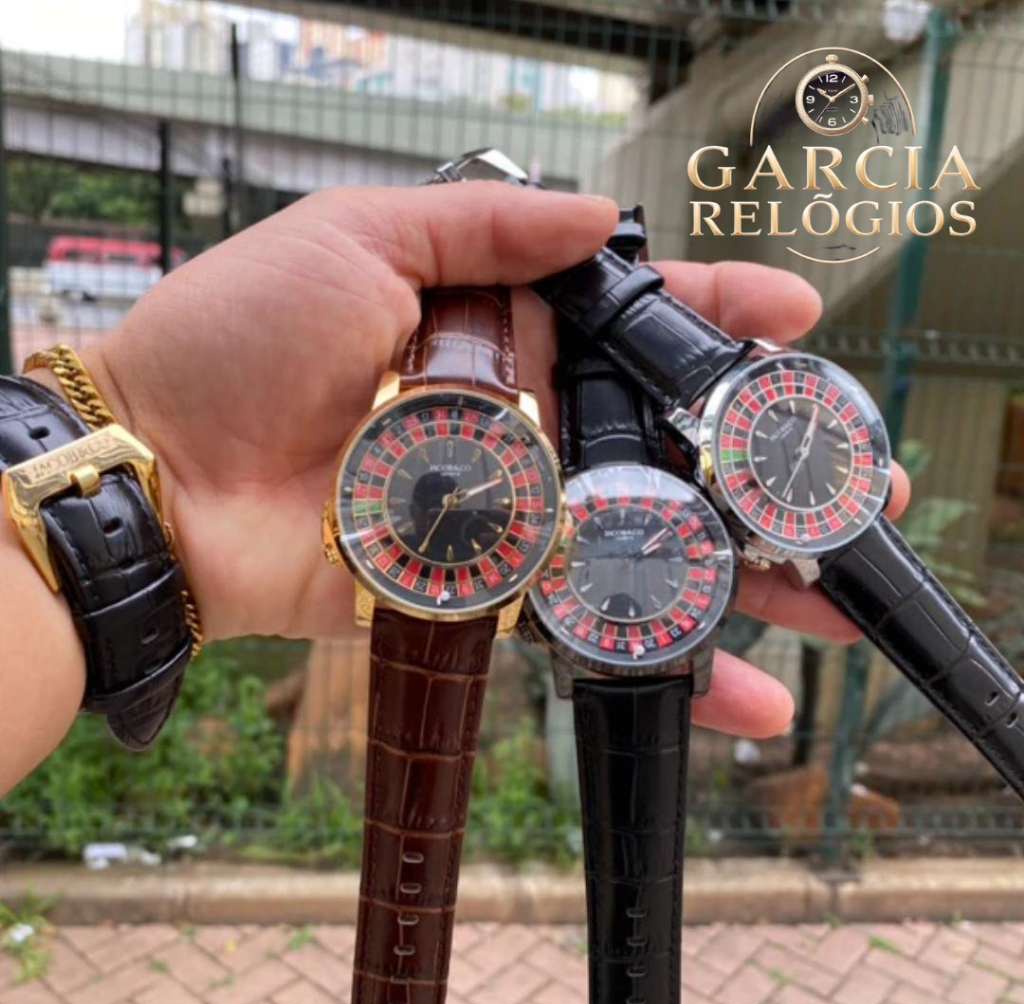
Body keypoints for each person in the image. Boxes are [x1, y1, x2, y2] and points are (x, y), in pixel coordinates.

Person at [0, 181, 909, 795]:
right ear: (341, 526)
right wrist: (149, 429)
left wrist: (143, 430)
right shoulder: (393, 461)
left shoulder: (509, 469)